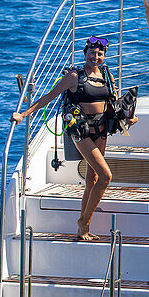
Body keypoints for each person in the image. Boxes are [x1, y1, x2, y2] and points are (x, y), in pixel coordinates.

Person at [10, 37, 132, 241]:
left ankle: (83, 228)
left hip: (101, 131)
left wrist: (129, 117)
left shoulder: (106, 75)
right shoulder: (74, 76)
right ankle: (83, 222)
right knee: (105, 176)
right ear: (85, 54)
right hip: (82, 132)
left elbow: (114, 102)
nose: (96, 57)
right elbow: (48, 97)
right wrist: (23, 115)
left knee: (92, 179)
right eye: (92, 53)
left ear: (104, 56)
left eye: (100, 54)